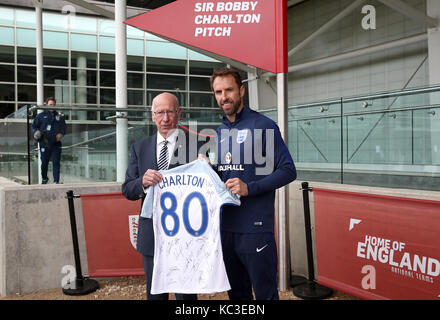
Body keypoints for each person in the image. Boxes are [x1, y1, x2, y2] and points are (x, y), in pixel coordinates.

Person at [211, 68, 297, 300]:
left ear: (241, 91)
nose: (224, 96)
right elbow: (226, 174)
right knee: (237, 296)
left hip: (256, 229)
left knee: (265, 295)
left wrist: (250, 188)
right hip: (226, 228)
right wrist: (208, 171)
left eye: (228, 90)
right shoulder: (220, 131)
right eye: (218, 92)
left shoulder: (263, 125)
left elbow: (288, 171)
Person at [122, 92, 199, 300]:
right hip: (152, 233)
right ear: (152, 115)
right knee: (155, 293)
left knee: (186, 295)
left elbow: (210, 185)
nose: (165, 119)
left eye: (170, 112)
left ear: (179, 113)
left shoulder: (196, 146)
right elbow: (128, 189)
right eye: (160, 112)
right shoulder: (139, 147)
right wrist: (142, 183)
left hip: (185, 233)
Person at [31, 97, 66, 184]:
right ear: (46, 105)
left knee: (56, 163)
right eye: (50, 104)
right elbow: (33, 126)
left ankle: (56, 181)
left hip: (56, 144)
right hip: (44, 143)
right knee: (44, 163)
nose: (52, 106)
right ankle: (44, 178)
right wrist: (36, 132)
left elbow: (64, 127)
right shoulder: (41, 116)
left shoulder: (59, 116)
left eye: (54, 105)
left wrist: (61, 134)